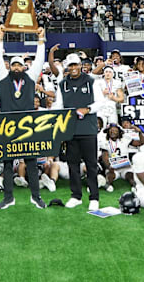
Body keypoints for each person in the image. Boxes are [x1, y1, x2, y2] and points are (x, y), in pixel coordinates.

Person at [0, 25, 47, 210]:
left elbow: (40, 59)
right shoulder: (2, 76)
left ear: (24, 66)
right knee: (7, 163)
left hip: (27, 126)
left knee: (31, 162)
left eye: (19, 64)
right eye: (13, 64)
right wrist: (0, 37)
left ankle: (36, 196)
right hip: (7, 126)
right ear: (10, 66)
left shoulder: (31, 77)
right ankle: (8, 197)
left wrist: (41, 40)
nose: (16, 67)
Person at [52, 53, 105, 211]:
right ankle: (76, 196)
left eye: (76, 65)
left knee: (91, 164)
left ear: (81, 65)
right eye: (71, 65)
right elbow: (59, 105)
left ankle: (94, 197)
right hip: (70, 130)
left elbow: (100, 102)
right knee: (72, 164)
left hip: (88, 129)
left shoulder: (91, 82)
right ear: (67, 67)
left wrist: (88, 109)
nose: (73, 68)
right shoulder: (63, 84)